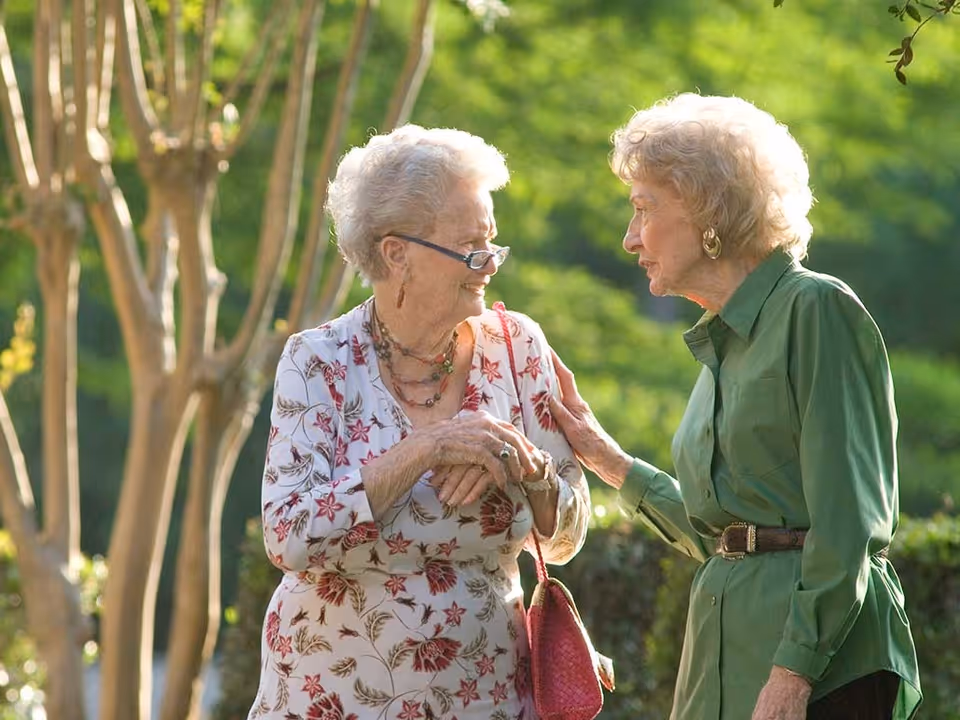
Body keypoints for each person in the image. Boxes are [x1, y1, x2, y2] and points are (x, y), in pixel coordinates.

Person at [548, 94, 921, 720]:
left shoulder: (815, 310)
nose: (629, 237)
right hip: (721, 664)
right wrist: (608, 460)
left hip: (819, 673)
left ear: (708, 208)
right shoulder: (721, 344)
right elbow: (726, 535)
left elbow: (848, 522)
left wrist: (792, 675)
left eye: (644, 209)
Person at [248, 125, 591, 719]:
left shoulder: (518, 348)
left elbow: (565, 538)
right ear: (395, 253)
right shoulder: (317, 360)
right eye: (469, 248)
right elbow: (288, 534)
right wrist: (427, 448)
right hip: (333, 696)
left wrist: (526, 472)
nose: (488, 264)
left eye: (493, 244)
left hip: (488, 697)